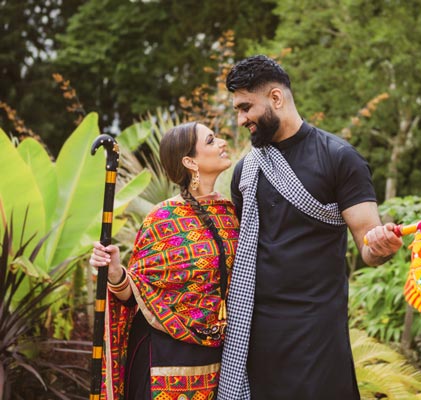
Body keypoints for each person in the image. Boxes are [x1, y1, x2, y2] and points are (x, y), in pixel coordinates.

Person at [217, 55, 403, 400]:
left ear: (276, 98)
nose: (241, 119)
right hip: (258, 331)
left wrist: (380, 247)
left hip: (317, 331)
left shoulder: (339, 158)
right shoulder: (246, 171)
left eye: (246, 107)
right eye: (238, 110)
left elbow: (368, 244)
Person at [89, 122, 239, 399]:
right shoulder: (163, 219)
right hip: (164, 352)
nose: (222, 144)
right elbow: (133, 294)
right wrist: (114, 272)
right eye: (211, 140)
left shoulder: (230, 214)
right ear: (190, 161)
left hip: (219, 356)